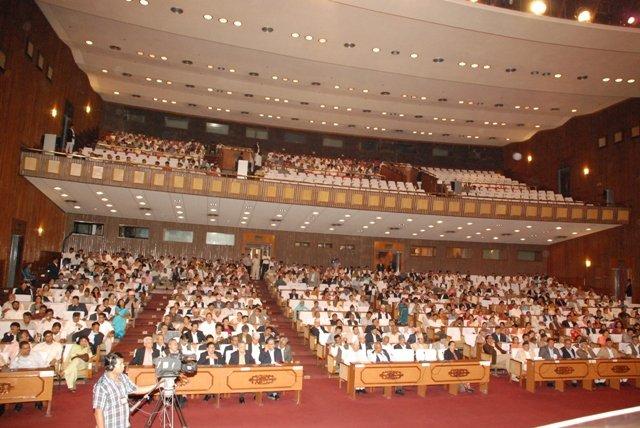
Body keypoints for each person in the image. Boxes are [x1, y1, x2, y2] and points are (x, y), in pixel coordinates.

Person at [93, 353, 158, 428]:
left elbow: (136, 389)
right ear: (111, 367)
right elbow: (98, 412)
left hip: (125, 424)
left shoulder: (123, 377)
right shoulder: (102, 386)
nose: (123, 366)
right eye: (120, 364)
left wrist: (156, 386)